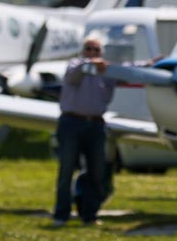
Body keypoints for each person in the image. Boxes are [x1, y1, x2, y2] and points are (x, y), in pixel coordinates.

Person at [51, 33, 115, 226]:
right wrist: (91, 64)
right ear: (82, 51)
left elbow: (129, 70)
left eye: (96, 50)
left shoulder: (107, 70)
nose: (92, 53)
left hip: (96, 125)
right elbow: (73, 75)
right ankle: (61, 214)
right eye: (89, 49)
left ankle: (89, 214)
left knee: (97, 171)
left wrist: (151, 64)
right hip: (71, 123)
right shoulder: (74, 66)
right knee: (67, 169)